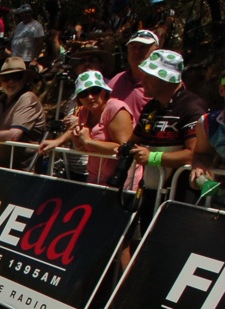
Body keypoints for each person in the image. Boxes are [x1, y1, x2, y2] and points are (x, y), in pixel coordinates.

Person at [127, 50, 207, 198]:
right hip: (151, 189)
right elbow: (133, 141)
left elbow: (194, 154)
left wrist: (153, 157)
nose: (142, 81)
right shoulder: (151, 106)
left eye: (149, 76)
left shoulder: (191, 106)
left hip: (179, 194)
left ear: (166, 78)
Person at [39, 70, 134, 184]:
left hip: (120, 179)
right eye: (83, 94)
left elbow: (124, 148)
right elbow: (76, 129)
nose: (89, 97)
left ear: (104, 91)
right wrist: (57, 141)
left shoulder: (116, 109)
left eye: (95, 91)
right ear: (78, 98)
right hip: (96, 177)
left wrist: (89, 142)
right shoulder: (85, 111)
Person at [108, 30, 160, 123]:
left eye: (143, 47)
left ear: (156, 50)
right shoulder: (115, 81)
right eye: (133, 47)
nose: (136, 51)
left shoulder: (165, 84)